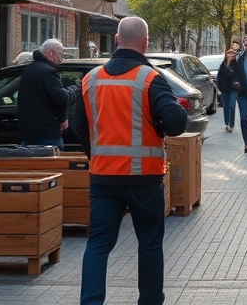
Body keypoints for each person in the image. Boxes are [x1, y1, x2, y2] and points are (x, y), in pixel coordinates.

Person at [72, 15, 188, 305]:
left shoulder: (91, 79)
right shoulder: (149, 79)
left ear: (115, 41)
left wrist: (95, 155)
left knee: (98, 244)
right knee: (149, 244)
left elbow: (79, 125)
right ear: (145, 43)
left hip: (103, 178)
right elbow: (176, 123)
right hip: (144, 179)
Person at [18, 38, 77, 148]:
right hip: (47, 134)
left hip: (28, 133)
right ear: (51, 53)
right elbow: (61, 98)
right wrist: (73, 90)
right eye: (61, 54)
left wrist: (63, 117)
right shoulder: (48, 72)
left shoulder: (29, 70)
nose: (62, 59)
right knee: (52, 164)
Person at [216, 44, 239, 132]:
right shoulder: (223, 65)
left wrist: (229, 64)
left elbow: (233, 74)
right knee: (225, 106)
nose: (230, 56)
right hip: (224, 89)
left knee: (231, 106)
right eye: (228, 54)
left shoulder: (236, 65)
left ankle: (231, 124)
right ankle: (227, 123)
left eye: (232, 54)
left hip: (233, 89)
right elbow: (220, 77)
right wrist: (220, 88)